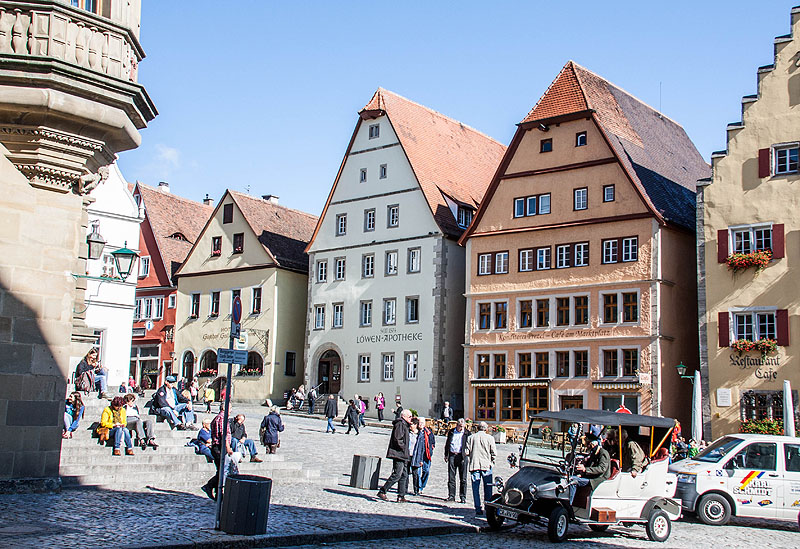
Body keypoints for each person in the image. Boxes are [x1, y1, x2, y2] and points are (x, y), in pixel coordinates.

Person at [200, 408, 241, 501]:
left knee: (220, 470)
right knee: (222, 471)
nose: (231, 410)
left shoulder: (216, 418)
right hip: (220, 448)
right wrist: (228, 448)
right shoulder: (222, 418)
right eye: (230, 408)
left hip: (217, 447)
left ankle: (218, 494)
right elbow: (224, 435)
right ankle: (209, 486)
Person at [377, 409, 412, 502]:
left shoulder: (405, 424)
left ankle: (401, 495)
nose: (411, 418)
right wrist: (403, 447)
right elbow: (397, 439)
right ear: (404, 416)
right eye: (410, 416)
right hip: (398, 453)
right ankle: (383, 491)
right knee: (397, 474)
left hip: (403, 454)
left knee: (404, 475)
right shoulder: (400, 424)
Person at [569, 430, 611, 504]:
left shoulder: (603, 453)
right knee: (570, 478)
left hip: (598, 479)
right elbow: (590, 465)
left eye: (587, 443)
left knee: (573, 481)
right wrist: (582, 473)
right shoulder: (593, 452)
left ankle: (570, 504)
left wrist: (585, 469)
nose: (586, 446)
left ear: (592, 444)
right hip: (591, 476)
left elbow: (602, 469)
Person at [466, 421, 496, 515]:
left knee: (475, 488)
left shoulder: (471, 437)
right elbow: (494, 453)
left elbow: (467, 452)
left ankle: (478, 508)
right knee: (488, 488)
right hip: (486, 465)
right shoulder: (490, 438)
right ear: (486, 429)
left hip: (475, 465)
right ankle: (488, 507)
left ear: (477, 428)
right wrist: (492, 462)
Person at [445, 418, 470, 503]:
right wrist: (446, 454)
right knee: (451, 477)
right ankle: (451, 495)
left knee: (463, 478)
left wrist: (468, 453)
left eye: (463, 426)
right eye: (460, 426)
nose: (461, 428)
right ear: (457, 425)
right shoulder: (452, 432)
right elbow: (447, 443)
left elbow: (470, 444)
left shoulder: (467, 433)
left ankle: (463, 496)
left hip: (462, 456)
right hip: (452, 455)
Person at [416, 417, 435, 493]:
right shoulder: (415, 431)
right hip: (418, 455)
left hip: (426, 455)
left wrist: (431, 449)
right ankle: (419, 487)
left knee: (426, 471)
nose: (421, 424)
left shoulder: (428, 432)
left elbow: (433, 442)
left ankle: (422, 485)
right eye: (419, 423)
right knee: (417, 472)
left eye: (422, 423)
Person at [409, 418, 421, 495]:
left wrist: (421, 459)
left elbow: (421, 447)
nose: (410, 426)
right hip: (407, 455)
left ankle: (416, 490)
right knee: (405, 473)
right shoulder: (408, 433)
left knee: (415, 473)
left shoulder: (419, 435)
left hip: (415, 456)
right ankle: (404, 489)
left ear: (416, 425)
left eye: (412, 424)